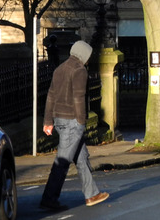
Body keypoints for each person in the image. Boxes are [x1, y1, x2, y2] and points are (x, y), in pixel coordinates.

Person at [40, 40, 110, 211]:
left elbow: (50, 96)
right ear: (83, 54)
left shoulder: (59, 69)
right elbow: (79, 98)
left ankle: (92, 194)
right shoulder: (80, 70)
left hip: (59, 120)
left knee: (81, 157)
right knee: (62, 162)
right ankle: (49, 198)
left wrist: (48, 121)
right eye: (88, 55)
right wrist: (82, 120)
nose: (89, 59)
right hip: (72, 121)